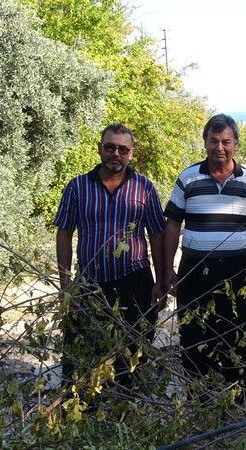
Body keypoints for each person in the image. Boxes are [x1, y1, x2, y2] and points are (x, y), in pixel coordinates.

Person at [162, 113, 246, 388]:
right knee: (193, 329)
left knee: (243, 327)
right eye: (213, 141)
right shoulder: (187, 179)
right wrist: (167, 271)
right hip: (194, 269)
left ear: (236, 143)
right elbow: (173, 225)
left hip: (241, 270)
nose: (219, 148)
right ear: (204, 143)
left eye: (226, 141)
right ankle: (199, 392)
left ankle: (236, 391)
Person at [55, 123, 165, 387]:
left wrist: (160, 282)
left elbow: (157, 235)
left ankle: (124, 409)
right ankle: (81, 410)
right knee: (81, 355)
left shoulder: (145, 188)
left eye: (123, 149)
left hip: (135, 283)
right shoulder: (77, 187)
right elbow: (63, 235)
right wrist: (66, 286)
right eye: (110, 147)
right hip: (89, 285)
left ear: (131, 153)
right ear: (100, 149)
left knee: (134, 351)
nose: (116, 154)